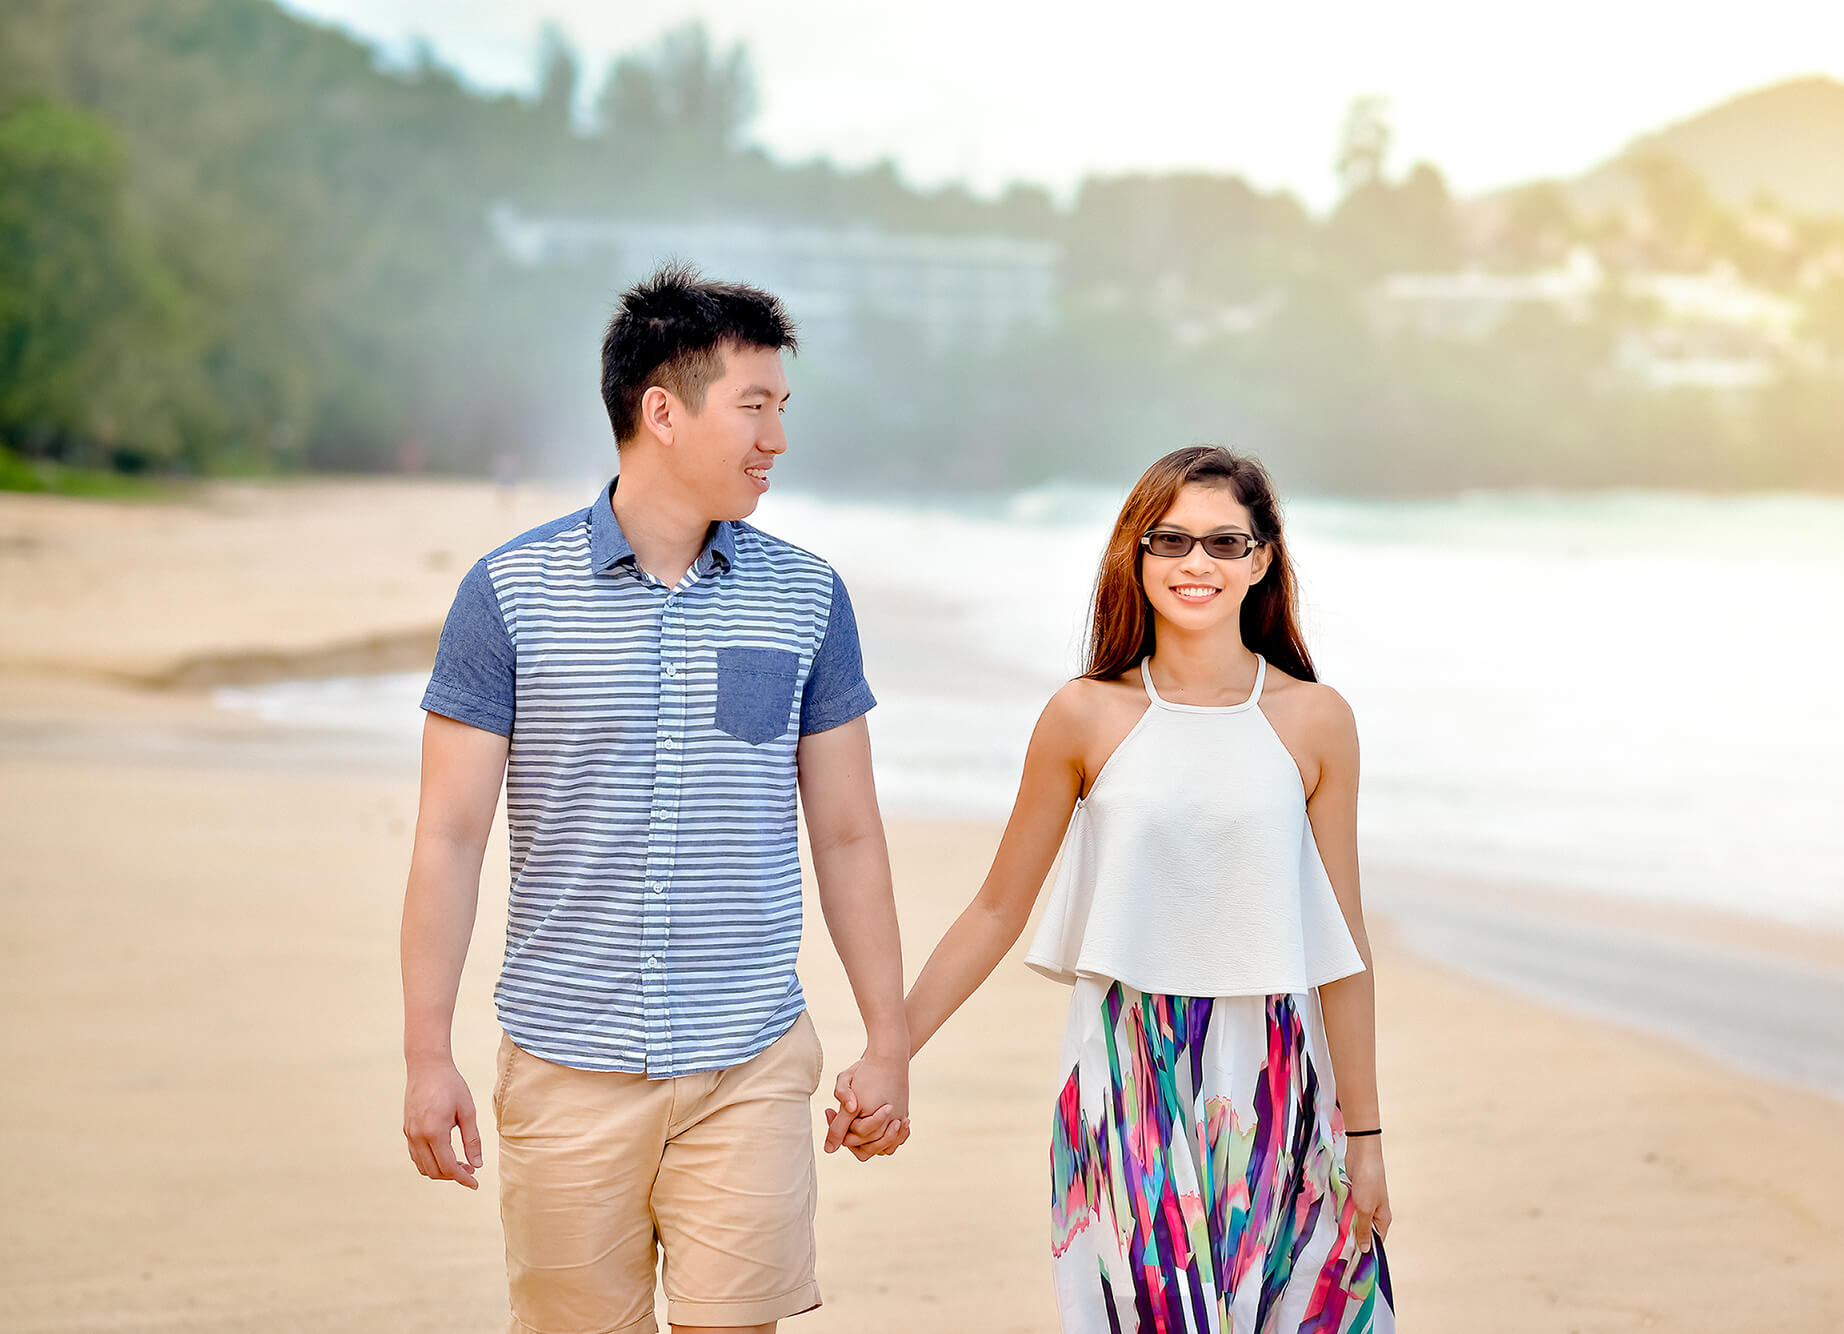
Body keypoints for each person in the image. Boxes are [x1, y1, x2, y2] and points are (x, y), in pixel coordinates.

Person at [400, 264, 911, 1334]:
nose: (776, 437)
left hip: (750, 1058)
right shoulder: (506, 593)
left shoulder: (807, 595)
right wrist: (425, 1052)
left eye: (783, 408)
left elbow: (850, 835)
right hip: (564, 1063)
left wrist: (885, 1039)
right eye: (754, 406)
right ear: (662, 411)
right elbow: (449, 838)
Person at [844, 445, 1394, 1331]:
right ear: (1135, 557)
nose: (1196, 564)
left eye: (1224, 543)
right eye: (1170, 541)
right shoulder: (1083, 715)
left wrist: (1363, 1137)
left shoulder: (1316, 719)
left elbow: (1346, 947)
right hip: (1129, 1076)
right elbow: (996, 909)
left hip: (1283, 1076)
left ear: (1262, 560)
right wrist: (891, 1050)